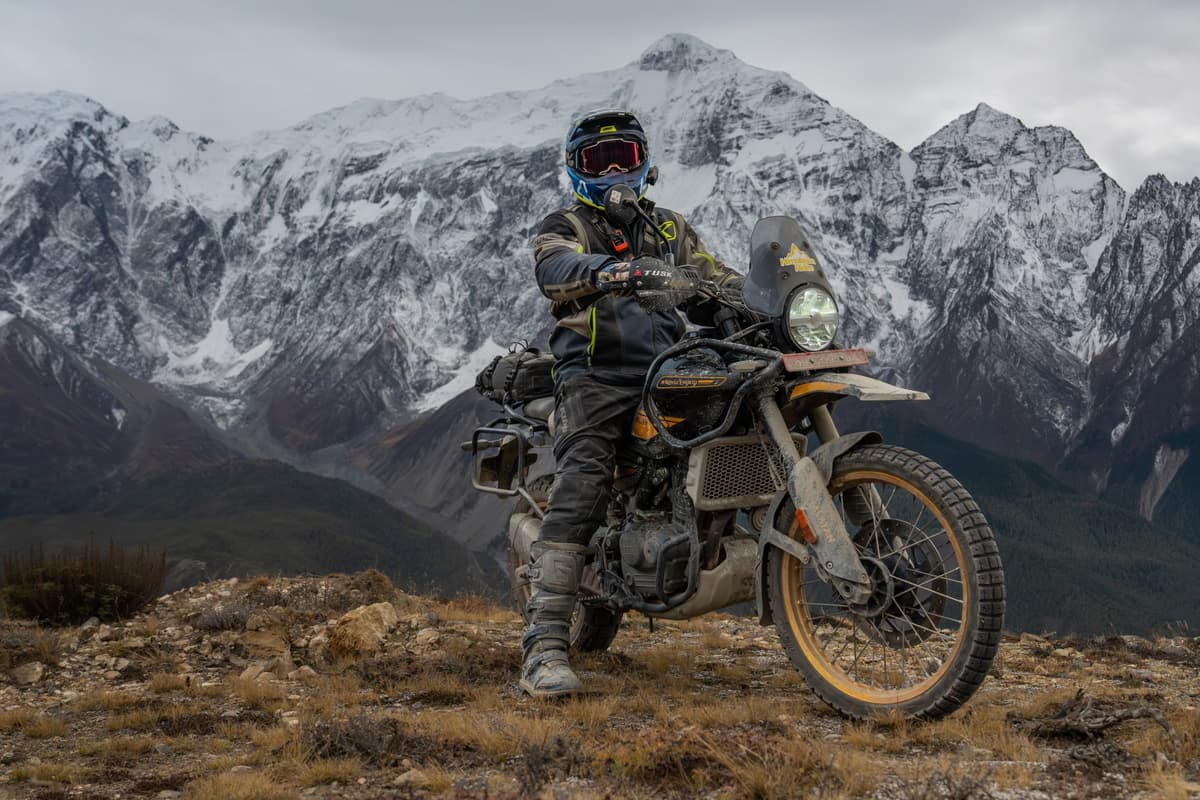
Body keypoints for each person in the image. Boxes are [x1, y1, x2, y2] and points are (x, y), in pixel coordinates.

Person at [521, 108, 742, 698]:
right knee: (586, 475)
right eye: (600, 159)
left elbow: (712, 279)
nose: (616, 168)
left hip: (669, 373)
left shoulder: (669, 230)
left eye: (626, 155)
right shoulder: (564, 225)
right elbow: (555, 268)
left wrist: (758, 302)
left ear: (645, 162)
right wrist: (611, 272)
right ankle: (543, 645)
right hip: (594, 377)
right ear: (577, 170)